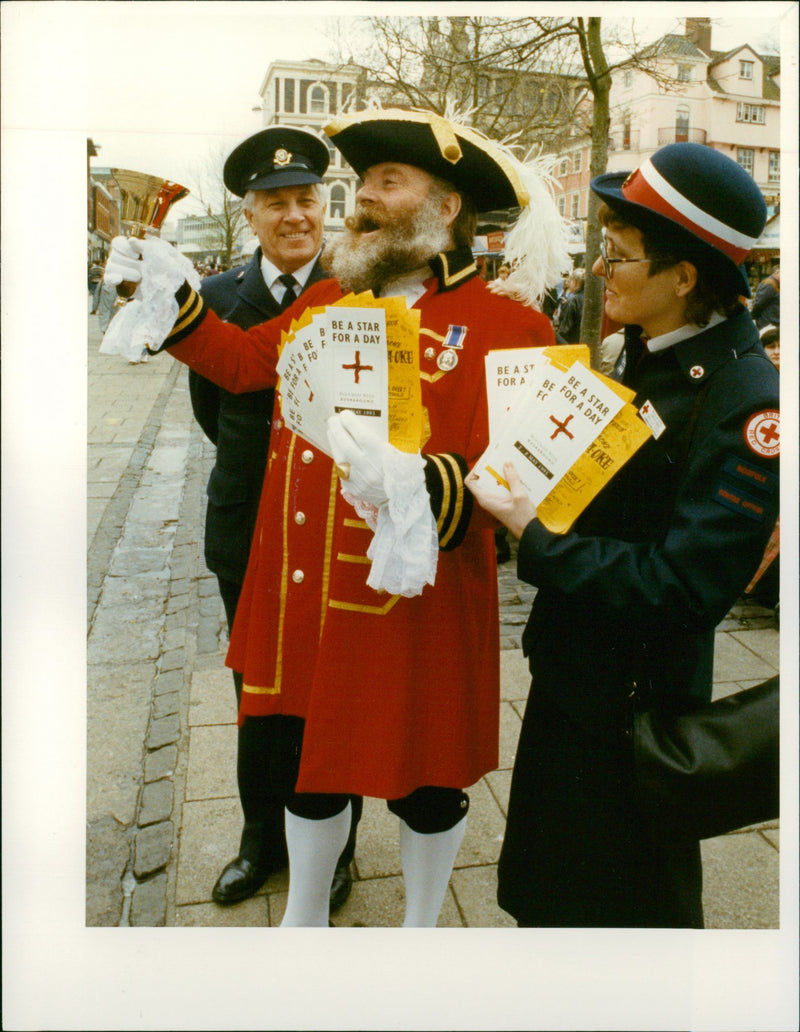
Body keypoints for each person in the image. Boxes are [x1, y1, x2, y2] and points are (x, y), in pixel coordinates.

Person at [104, 107, 569, 927]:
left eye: (387, 183)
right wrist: (170, 294)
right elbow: (246, 364)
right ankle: (306, 916)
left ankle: (421, 926)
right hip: (309, 583)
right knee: (312, 764)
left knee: (427, 780)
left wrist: (428, 484)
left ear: (445, 207)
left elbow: (526, 483)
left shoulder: (515, 327)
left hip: (417, 598)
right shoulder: (327, 297)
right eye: (363, 185)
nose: (362, 201)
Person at [467, 142, 779, 928]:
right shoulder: (642, 353)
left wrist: (537, 538)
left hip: (635, 710)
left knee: (627, 910)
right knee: (548, 897)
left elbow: (688, 587)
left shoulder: (745, 403)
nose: (603, 270)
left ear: (686, 276)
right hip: (575, 676)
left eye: (621, 255)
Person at [188, 127, 360, 909]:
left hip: (332, 533)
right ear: (249, 217)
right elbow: (213, 407)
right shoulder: (220, 301)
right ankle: (261, 839)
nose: (295, 216)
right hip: (247, 528)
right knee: (257, 698)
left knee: (336, 693)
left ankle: (338, 845)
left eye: (307, 200)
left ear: (325, 209)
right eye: (276, 204)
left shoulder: (357, 289)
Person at [555, 266, 585, 343]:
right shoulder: (588, 298)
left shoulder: (573, 300)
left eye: (570, 281)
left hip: (572, 343)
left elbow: (565, 329)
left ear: (575, 283)